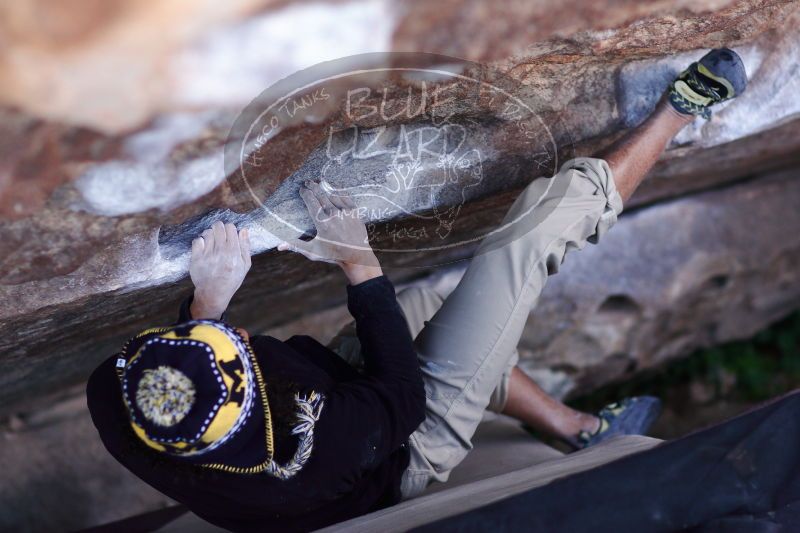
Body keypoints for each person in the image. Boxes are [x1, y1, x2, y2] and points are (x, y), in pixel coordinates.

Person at [87, 48, 747, 532]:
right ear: (256, 405)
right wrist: (358, 261)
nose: (234, 334)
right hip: (403, 445)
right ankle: (678, 112)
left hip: (339, 396)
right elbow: (402, 394)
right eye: (236, 348)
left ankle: (579, 428)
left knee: (441, 313)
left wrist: (205, 306)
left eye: (205, 338)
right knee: (527, 239)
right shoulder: (320, 448)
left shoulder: (118, 399)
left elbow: (189, 359)